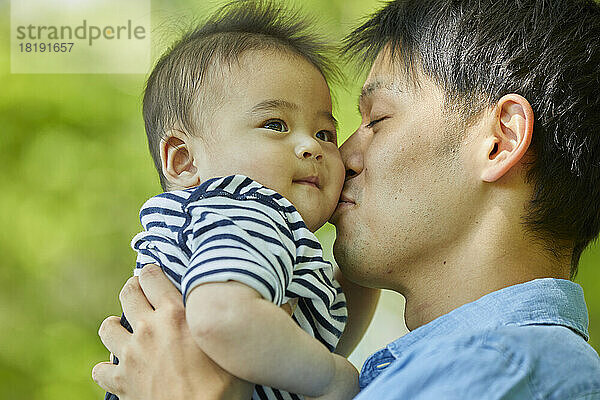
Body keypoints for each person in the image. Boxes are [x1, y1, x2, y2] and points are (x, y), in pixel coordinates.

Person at [93, 0, 600, 398]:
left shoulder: (504, 369)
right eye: (275, 125)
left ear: (498, 142)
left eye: (375, 120)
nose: (341, 156)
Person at [100, 2, 379, 399]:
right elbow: (221, 319)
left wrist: (359, 274)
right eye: (275, 125)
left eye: (324, 134)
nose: (310, 147)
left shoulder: (245, 235)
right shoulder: (246, 207)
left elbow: (308, 342)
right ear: (184, 160)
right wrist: (335, 379)